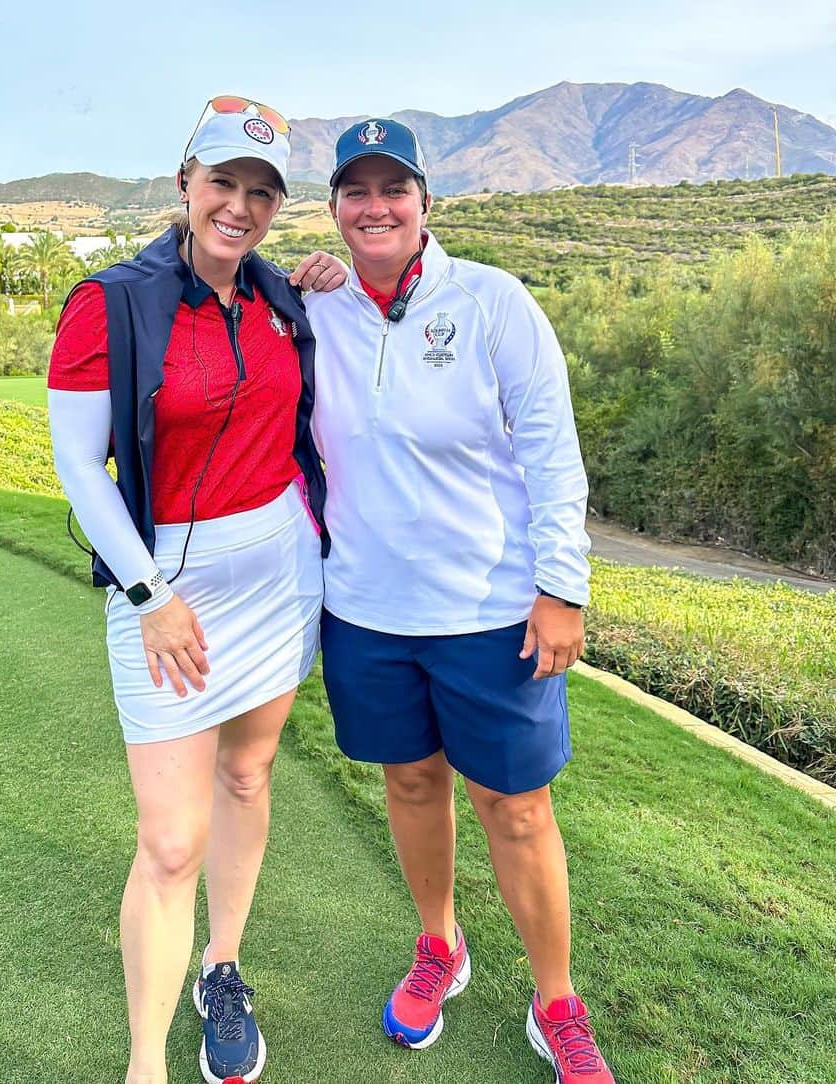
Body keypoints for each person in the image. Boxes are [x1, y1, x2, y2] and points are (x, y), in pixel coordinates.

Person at [305, 119, 616, 1084]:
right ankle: (440, 946)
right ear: (335, 211)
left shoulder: (493, 302)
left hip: (490, 612)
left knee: (516, 809)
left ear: (425, 203)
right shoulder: (311, 306)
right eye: (356, 193)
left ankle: (556, 1002)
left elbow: (552, 457)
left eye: (393, 190)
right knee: (409, 784)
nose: (375, 208)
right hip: (366, 609)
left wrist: (563, 587)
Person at [47, 96, 345, 1084]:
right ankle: (145, 1063)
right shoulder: (110, 303)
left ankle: (224, 969)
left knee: (250, 780)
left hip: (278, 580)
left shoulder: (280, 298)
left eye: (262, 192)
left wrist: (334, 283)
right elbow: (82, 469)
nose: (241, 206)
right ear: (185, 184)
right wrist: (148, 595)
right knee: (171, 842)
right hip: (167, 593)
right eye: (224, 182)